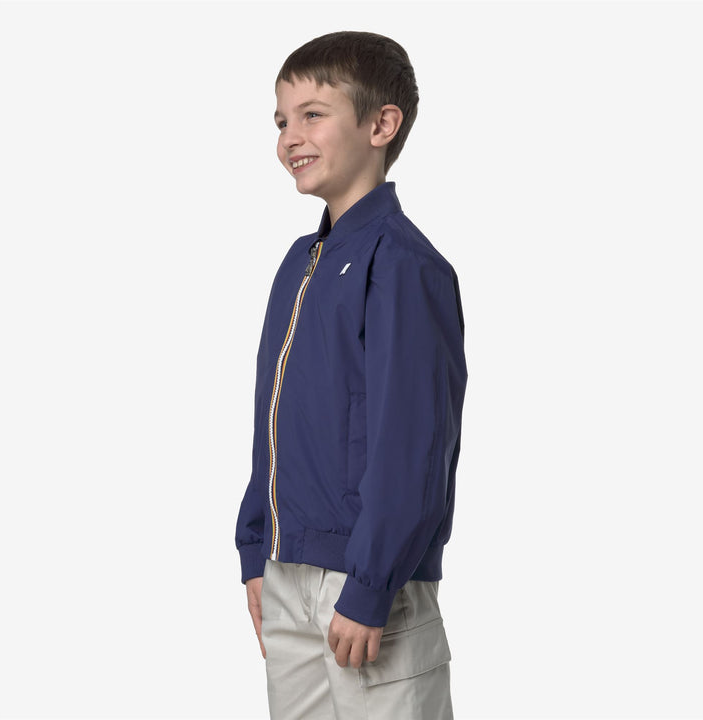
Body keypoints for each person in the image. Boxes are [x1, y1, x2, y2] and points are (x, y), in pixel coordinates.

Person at [235, 30, 467, 720]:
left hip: (371, 589)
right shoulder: (299, 262)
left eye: (312, 114)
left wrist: (370, 584)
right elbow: (274, 419)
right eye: (282, 120)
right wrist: (256, 548)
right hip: (287, 573)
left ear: (381, 124)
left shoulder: (404, 266)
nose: (290, 137)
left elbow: (414, 446)